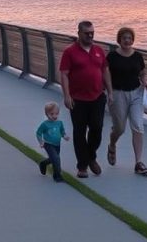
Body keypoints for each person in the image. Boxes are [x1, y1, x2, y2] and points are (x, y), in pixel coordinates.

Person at [59, 20, 113, 178]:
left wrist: (110, 92)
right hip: (78, 99)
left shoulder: (99, 50)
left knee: (97, 128)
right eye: (87, 33)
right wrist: (67, 95)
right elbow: (64, 74)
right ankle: (82, 166)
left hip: (97, 97)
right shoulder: (70, 52)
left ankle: (91, 156)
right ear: (79, 33)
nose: (90, 36)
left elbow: (105, 71)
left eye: (92, 33)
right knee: (79, 132)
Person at [107, 27, 147, 176]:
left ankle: (138, 162)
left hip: (136, 93)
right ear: (119, 40)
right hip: (118, 93)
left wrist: (146, 81)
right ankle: (112, 145)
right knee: (119, 128)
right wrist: (109, 92)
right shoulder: (112, 57)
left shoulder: (138, 56)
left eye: (129, 38)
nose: (127, 40)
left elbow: (143, 72)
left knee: (138, 126)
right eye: (124, 38)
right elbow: (105, 75)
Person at [36, 102, 70, 182]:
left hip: (57, 144)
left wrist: (64, 136)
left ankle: (43, 163)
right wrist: (41, 142)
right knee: (56, 158)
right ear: (46, 114)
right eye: (51, 114)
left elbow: (62, 131)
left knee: (53, 159)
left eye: (56, 114)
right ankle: (57, 176)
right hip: (48, 144)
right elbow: (38, 133)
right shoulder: (45, 124)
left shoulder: (59, 123)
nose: (54, 116)